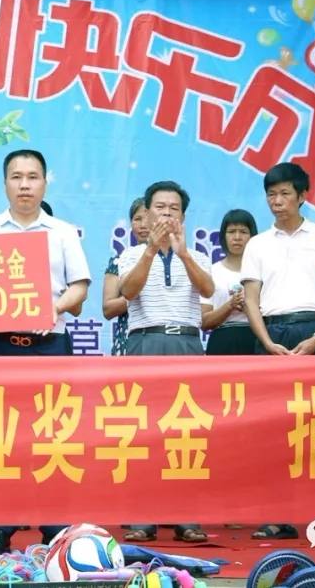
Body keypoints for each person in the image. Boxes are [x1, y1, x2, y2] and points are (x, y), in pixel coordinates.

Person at [0, 149, 91, 554]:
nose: (25, 185)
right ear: (5, 182)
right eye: (17, 177)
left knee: (53, 435)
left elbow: (79, 286)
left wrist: (53, 307)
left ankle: (54, 525)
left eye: (33, 177)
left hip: (49, 346)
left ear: (45, 182)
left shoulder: (62, 232)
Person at [240, 162, 315, 542]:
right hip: (272, 335)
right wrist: (266, 341)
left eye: (285, 194)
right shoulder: (258, 244)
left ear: (302, 196)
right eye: (271, 194)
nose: (277, 201)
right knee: (273, 432)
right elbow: (250, 299)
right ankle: (276, 516)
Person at [117, 180, 213, 544]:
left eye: (174, 209)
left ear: (183, 217)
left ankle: (186, 517)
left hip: (186, 342)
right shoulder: (130, 255)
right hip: (145, 341)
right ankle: (143, 518)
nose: (167, 214)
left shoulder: (197, 255)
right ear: (147, 212)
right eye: (160, 208)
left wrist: (183, 254)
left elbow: (208, 290)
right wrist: (150, 251)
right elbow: (128, 292)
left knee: (186, 431)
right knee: (144, 431)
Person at [201, 209, 259, 355]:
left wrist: (250, 305)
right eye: (231, 232)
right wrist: (230, 305)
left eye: (243, 232)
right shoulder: (211, 272)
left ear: (253, 236)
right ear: (223, 236)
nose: (237, 237)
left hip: (258, 339)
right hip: (223, 340)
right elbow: (204, 322)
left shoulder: (263, 272)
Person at [103, 199, 150, 356]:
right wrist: (137, 292)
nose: (143, 225)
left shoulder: (176, 259)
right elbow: (108, 309)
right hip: (129, 340)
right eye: (137, 219)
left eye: (149, 219)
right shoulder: (120, 260)